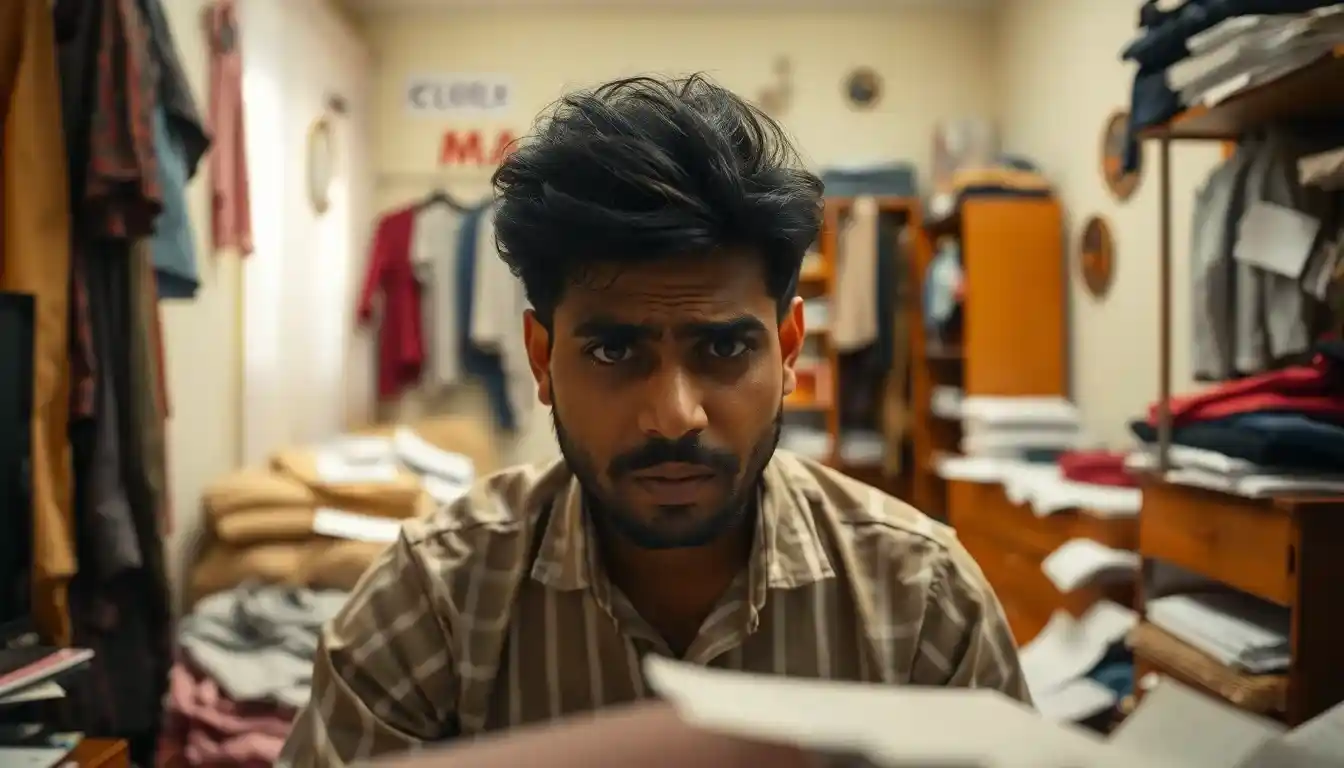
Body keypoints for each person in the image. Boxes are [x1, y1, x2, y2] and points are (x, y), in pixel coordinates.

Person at [279, 74, 1028, 768]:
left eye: (725, 346)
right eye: (613, 349)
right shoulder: (434, 600)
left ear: (790, 349)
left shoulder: (924, 599)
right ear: (541, 359)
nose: (675, 416)